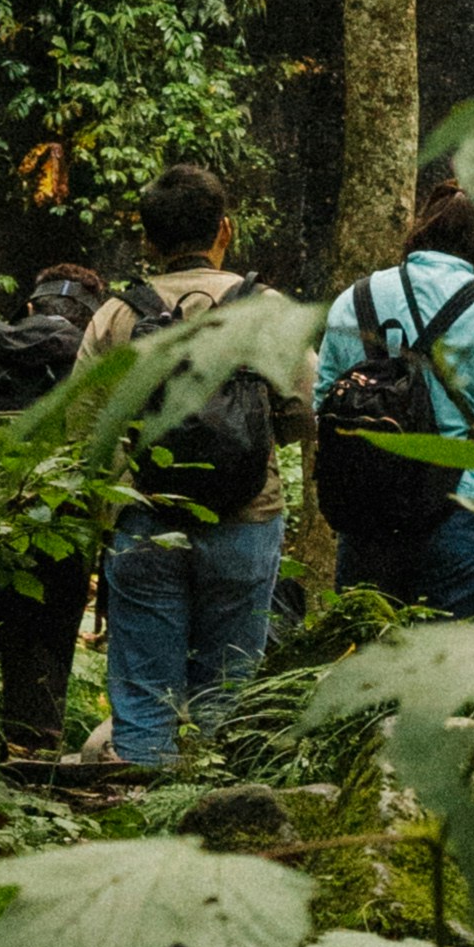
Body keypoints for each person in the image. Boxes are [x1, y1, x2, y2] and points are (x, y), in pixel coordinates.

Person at [82, 171, 314, 768]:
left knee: (142, 696)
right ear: (225, 230)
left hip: (145, 519)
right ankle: (222, 818)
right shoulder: (264, 310)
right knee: (230, 692)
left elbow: (83, 429)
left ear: (149, 240)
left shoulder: (117, 315)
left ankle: (141, 814)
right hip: (246, 516)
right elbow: (307, 408)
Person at [311, 178, 474, 622]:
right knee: (444, 664)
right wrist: (458, 447)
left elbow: (325, 400)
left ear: (420, 229)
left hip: (367, 506)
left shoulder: (354, 299)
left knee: (366, 656)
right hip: (464, 506)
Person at [0, 261, 104, 760]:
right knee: (41, 673)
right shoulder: (94, 365)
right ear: (90, 319)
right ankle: (33, 776)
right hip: (56, 539)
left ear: (31, 306)